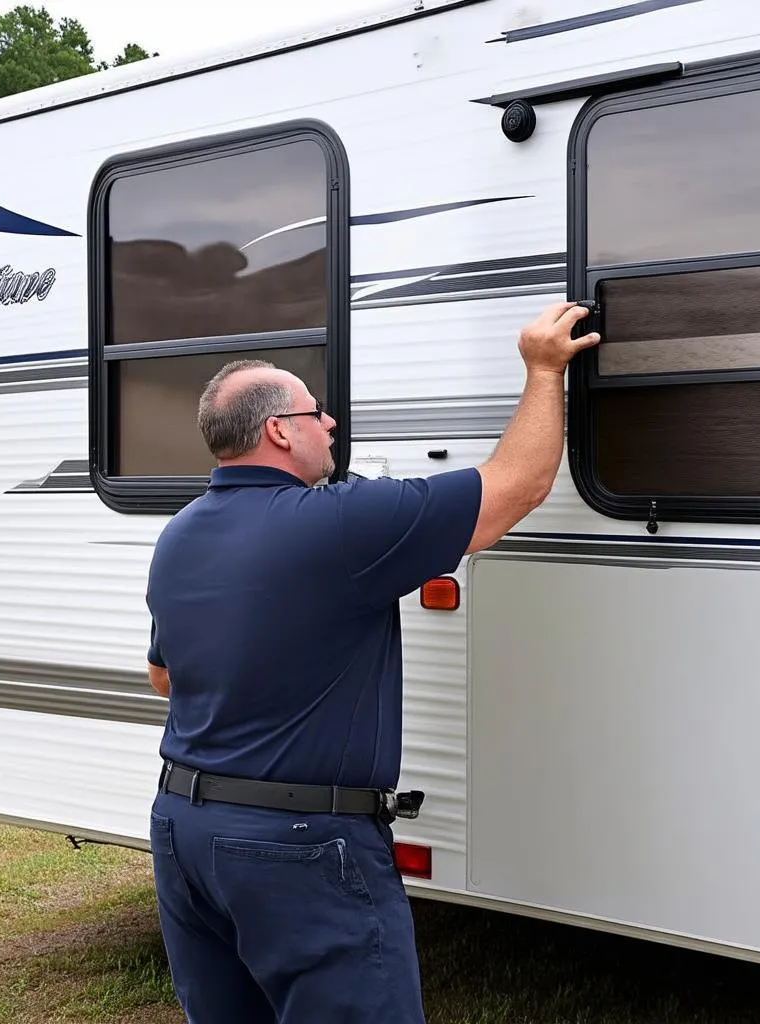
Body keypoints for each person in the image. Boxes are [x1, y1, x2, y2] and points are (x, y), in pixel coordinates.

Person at [144, 302, 599, 1023]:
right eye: (316, 411)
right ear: (279, 431)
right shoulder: (339, 523)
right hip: (300, 848)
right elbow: (518, 486)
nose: (329, 424)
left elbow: (165, 676)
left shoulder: (180, 534)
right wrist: (544, 371)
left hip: (184, 832)